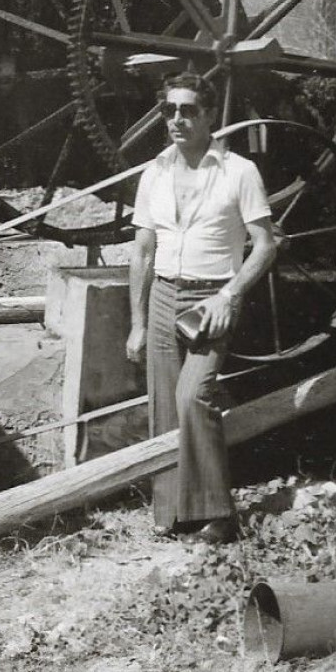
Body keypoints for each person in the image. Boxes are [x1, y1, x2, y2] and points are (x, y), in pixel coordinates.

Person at [126, 73, 277, 544]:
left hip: (211, 300)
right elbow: (143, 252)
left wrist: (229, 295)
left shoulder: (238, 172)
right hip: (164, 296)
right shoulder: (154, 172)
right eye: (170, 110)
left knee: (195, 396)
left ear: (210, 115)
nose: (177, 119)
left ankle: (220, 514)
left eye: (188, 110)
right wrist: (137, 322)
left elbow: (266, 245)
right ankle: (173, 515)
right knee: (164, 404)